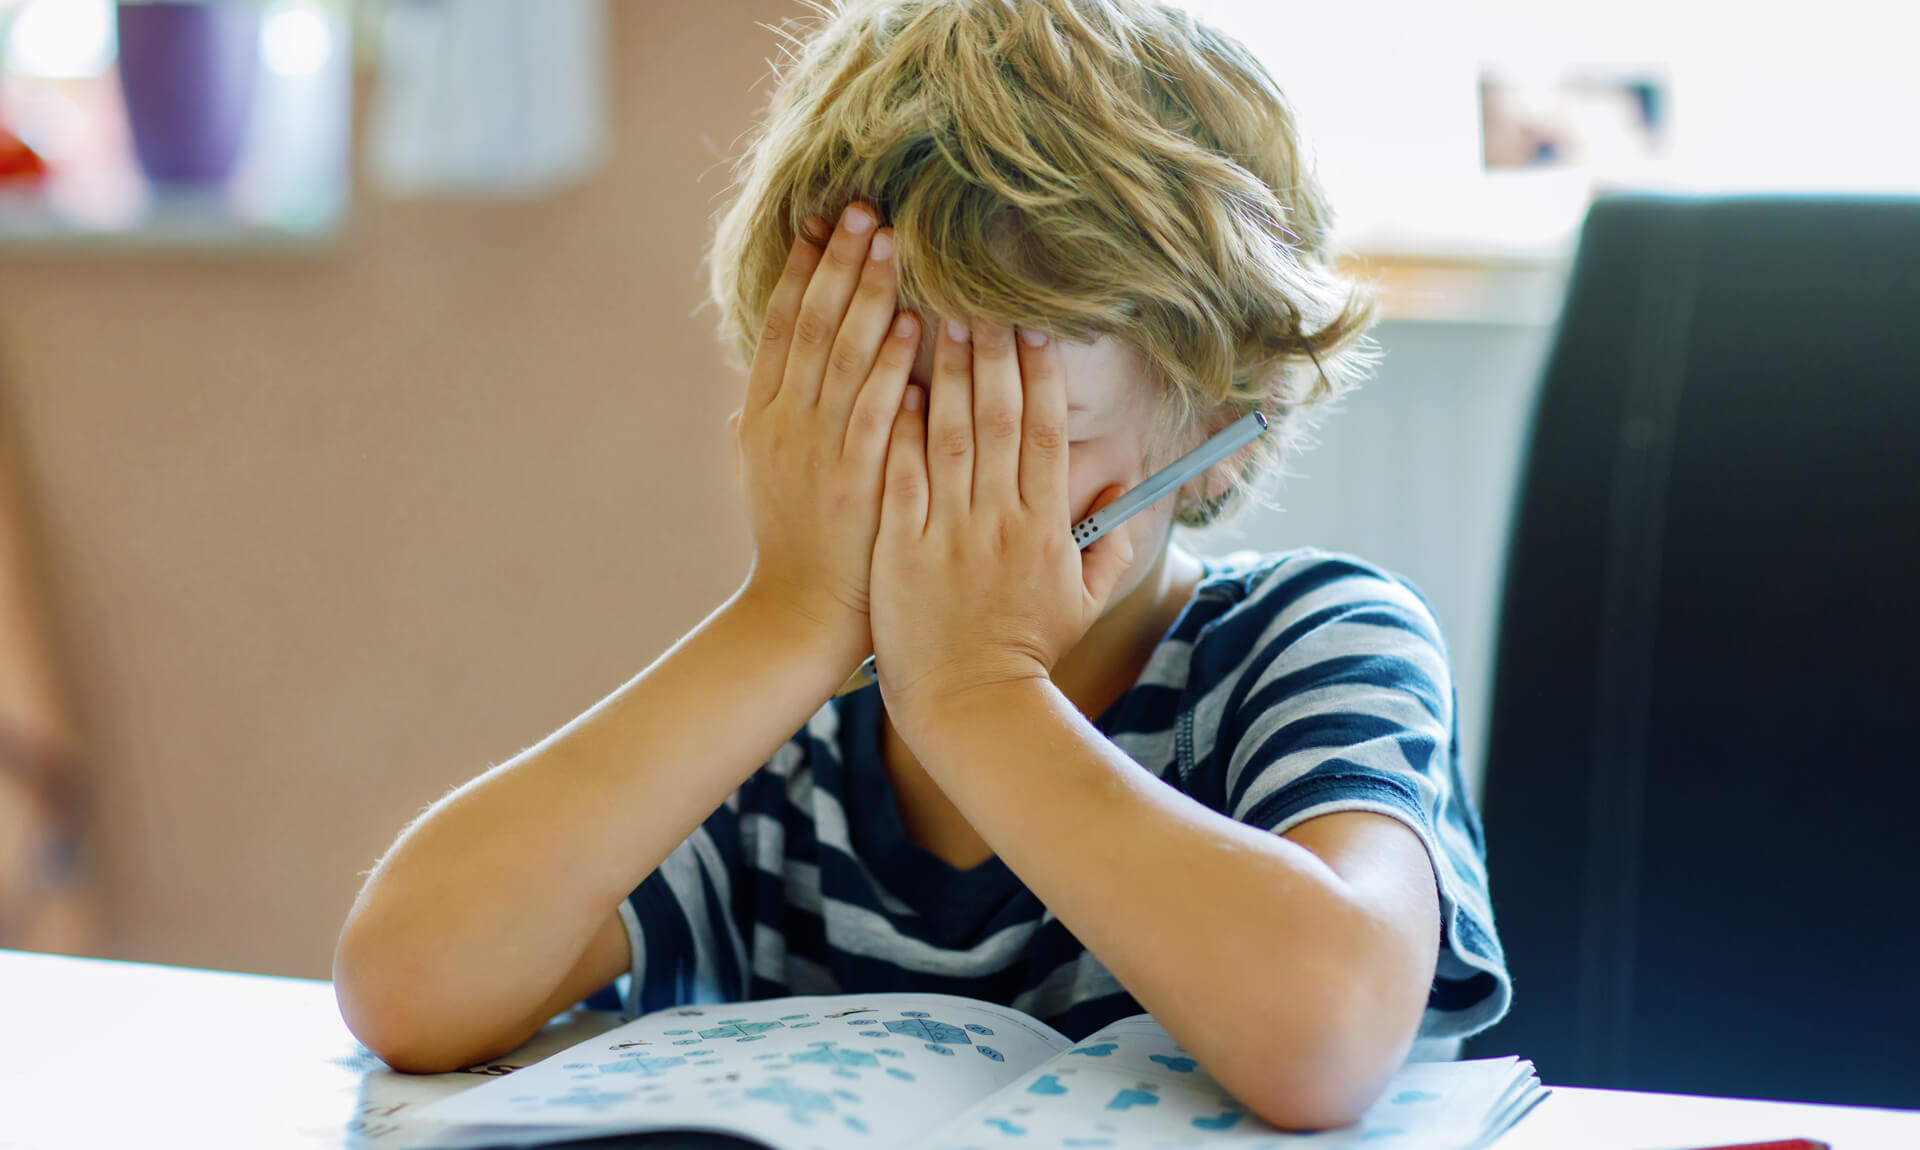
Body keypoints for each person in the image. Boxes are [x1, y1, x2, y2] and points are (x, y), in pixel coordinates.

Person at [333, 0, 1510, 1129]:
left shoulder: (1319, 641)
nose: (947, 479)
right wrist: (786, 623)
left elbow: (1328, 1035)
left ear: (1215, 431)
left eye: (1021, 430)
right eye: (884, 413)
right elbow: (409, 982)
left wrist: (979, 696)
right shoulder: (785, 724)